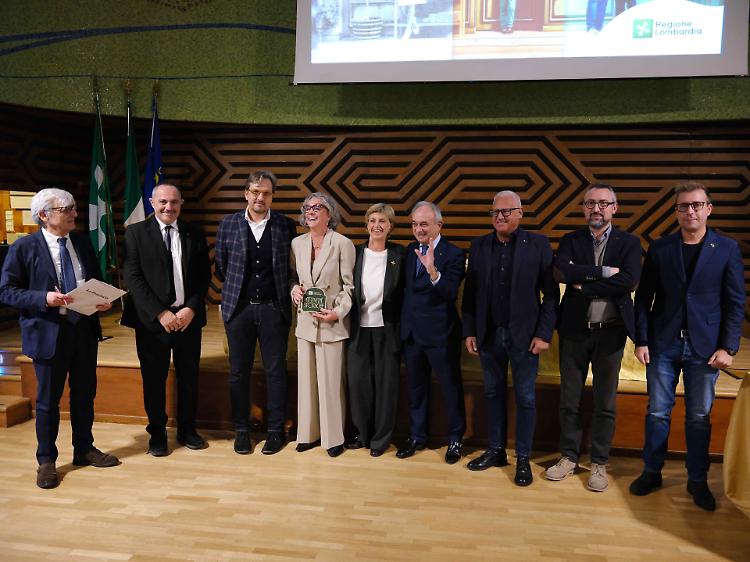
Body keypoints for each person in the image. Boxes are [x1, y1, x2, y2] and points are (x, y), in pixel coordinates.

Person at [630, 181, 744, 511]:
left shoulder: (726, 248)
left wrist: (728, 347)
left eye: (696, 205)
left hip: (705, 348)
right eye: (683, 206)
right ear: (676, 211)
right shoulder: (661, 248)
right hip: (663, 345)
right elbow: (643, 299)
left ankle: (697, 480)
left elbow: (735, 303)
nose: (690, 211)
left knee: (698, 416)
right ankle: (652, 472)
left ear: (709, 209)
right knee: (657, 412)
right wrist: (642, 340)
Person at [0, 188, 119, 489]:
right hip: (48, 333)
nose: (75, 214)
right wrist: (44, 298)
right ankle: (46, 461)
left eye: (74, 208)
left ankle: (84, 449)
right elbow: (7, 291)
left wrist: (101, 299)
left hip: (84, 331)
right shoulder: (24, 247)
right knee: (48, 402)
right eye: (67, 209)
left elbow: (93, 280)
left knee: (84, 394)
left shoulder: (81, 241)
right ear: (44, 215)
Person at [545, 183, 641, 492]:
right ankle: (568, 457)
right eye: (590, 203)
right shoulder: (571, 240)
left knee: (605, 402)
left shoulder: (629, 243)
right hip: (574, 331)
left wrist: (584, 284)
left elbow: (629, 280)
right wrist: (604, 273)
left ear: (614, 208)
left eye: (602, 203)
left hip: (610, 333)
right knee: (569, 400)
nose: (596, 209)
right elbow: (562, 273)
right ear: (584, 208)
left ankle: (599, 462)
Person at [462, 190, 558, 486]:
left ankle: (523, 458)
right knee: (492, 394)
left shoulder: (539, 244)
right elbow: (470, 295)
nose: (500, 217)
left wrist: (543, 334)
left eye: (506, 211)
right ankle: (496, 450)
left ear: (520, 213)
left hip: (525, 337)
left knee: (526, 398)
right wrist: (470, 330)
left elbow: (551, 295)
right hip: (488, 334)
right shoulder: (479, 245)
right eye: (495, 212)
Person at [122, 184, 210, 457]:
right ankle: (157, 434)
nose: (168, 207)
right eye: (162, 202)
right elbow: (133, 277)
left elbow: (204, 276)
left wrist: (191, 308)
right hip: (153, 322)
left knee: (189, 378)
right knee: (154, 380)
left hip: (187, 319)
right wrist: (160, 313)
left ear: (181, 203)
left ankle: (187, 430)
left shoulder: (194, 232)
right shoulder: (135, 233)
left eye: (173, 202)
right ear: (152, 202)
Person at [214, 171, 297, 455]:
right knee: (238, 373)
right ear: (246, 194)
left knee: (276, 372)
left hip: (274, 308)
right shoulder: (228, 224)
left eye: (266, 193)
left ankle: (275, 431)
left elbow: (290, 267)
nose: (260, 197)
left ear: (272, 196)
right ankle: (242, 430)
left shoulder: (285, 225)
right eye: (255, 192)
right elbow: (222, 267)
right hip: (239, 309)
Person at [397, 201, 466, 464]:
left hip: (441, 335)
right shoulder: (409, 250)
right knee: (416, 389)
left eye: (424, 224)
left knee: (450, 389)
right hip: (412, 334)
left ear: (439, 225)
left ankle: (455, 438)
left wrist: (433, 271)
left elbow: (450, 292)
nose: (418, 229)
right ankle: (417, 436)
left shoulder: (455, 253)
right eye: (414, 224)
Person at [291, 193, 355, 457]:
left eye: (318, 207)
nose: (311, 211)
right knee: (306, 384)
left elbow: (350, 287)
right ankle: (307, 435)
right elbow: (294, 278)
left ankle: (333, 438)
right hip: (306, 322)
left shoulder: (342, 243)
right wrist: (294, 289)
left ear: (330, 214)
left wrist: (336, 313)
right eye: (307, 207)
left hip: (331, 323)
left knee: (330, 384)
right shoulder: (297, 243)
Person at [346, 203, 406, 457]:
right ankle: (363, 434)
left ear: (390, 226)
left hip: (387, 329)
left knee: (385, 386)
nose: (377, 225)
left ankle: (380, 440)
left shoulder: (400, 255)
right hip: (358, 328)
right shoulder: (355, 253)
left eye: (382, 221)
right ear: (366, 225)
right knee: (358, 384)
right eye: (372, 221)